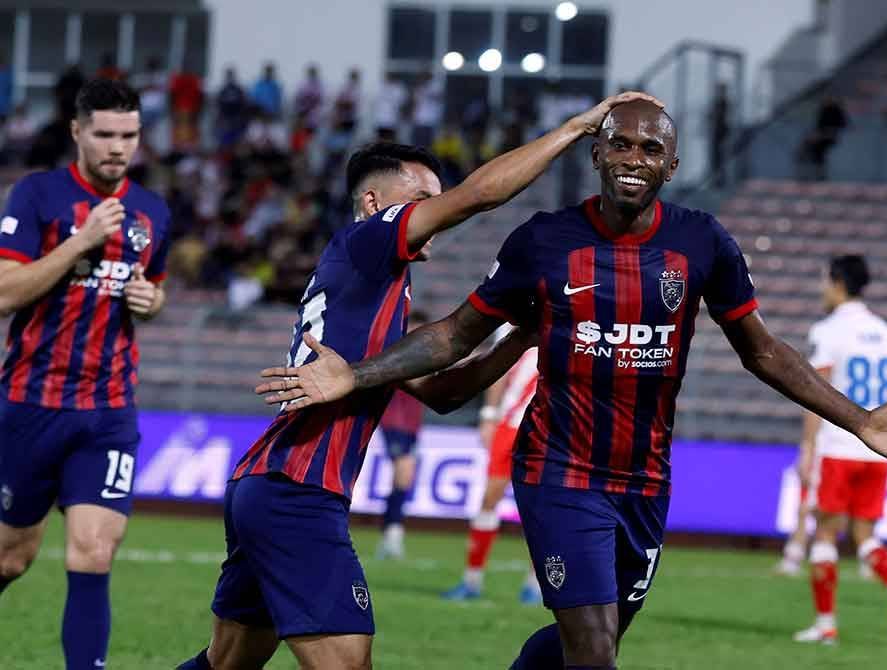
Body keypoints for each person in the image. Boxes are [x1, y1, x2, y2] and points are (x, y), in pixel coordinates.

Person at [257, 101, 887, 668]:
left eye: (650, 149)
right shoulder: (543, 241)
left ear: (672, 166)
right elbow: (453, 337)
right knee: (593, 651)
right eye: (619, 144)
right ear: (596, 153)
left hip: (645, 480)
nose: (632, 159)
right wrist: (357, 373)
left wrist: (859, 419)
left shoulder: (703, 243)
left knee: (591, 641)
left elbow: (762, 351)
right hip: (558, 470)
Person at [176, 91, 657, 670]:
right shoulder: (367, 241)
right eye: (423, 199)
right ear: (374, 203)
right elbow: (479, 196)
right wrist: (576, 127)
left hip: (268, 483)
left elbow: (443, 393)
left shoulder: (372, 292)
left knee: (227, 662)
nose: (436, 211)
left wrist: (520, 339)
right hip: (296, 489)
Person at [0, 78, 171, 670]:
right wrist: (82, 242)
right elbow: (4, 292)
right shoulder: (37, 195)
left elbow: (155, 290)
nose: (117, 147)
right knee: (11, 558)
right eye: (104, 134)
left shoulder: (153, 211)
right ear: (77, 131)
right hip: (30, 403)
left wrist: (152, 301)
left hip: (107, 410)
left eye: (128, 135)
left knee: (95, 551)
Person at [793, 255, 887, 646]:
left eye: (824, 281)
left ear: (838, 283)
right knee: (865, 536)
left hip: (838, 446)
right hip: (877, 452)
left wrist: (807, 447)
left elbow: (815, 393)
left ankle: (826, 625)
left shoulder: (828, 330)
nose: (822, 289)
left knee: (825, 533)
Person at [442, 336, 542, 604]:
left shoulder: (574, 324)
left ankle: (536, 585)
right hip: (509, 424)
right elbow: (499, 371)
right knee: (489, 499)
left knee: (543, 508)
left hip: (547, 429)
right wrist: (489, 415)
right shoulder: (517, 324)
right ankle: (471, 580)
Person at [375, 311, 429, 560]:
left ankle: (389, 532)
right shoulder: (398, 353)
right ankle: (393, 533)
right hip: (393, 421)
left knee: (404, 479)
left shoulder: (426, 355)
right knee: (404, 471)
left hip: (412, 426)